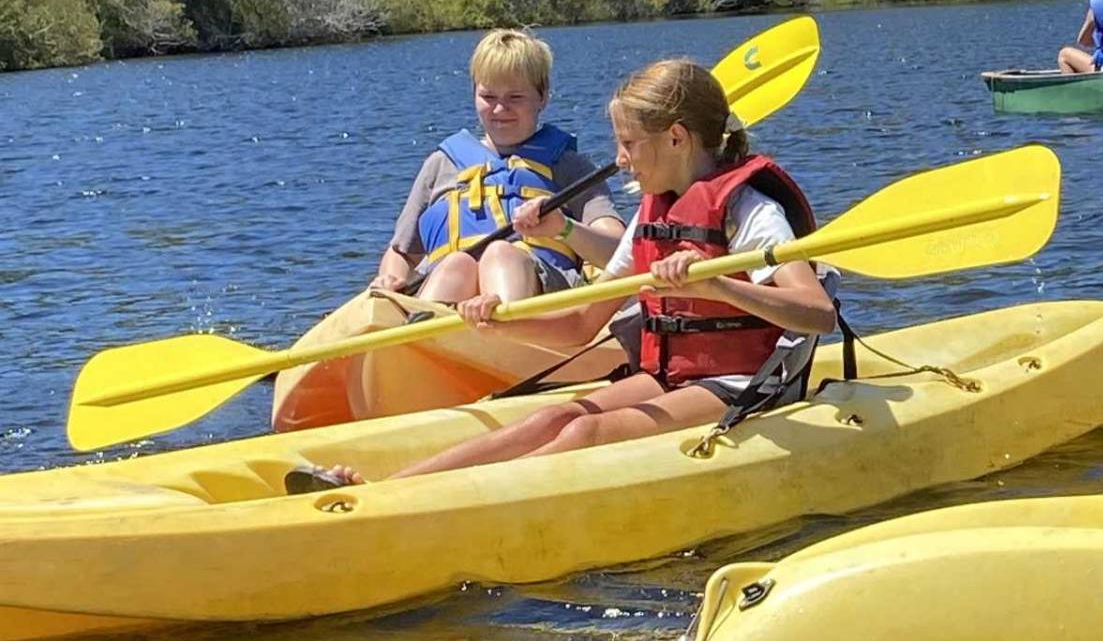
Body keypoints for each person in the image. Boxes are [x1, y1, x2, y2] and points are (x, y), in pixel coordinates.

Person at [295, 59, 837, 489]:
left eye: (629, 144)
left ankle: (435, 503)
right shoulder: (654, 215)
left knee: (586, 430)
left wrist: (715, 283)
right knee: (546, 421)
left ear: (676, 138)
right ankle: (386, 490)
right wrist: (500, 323)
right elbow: (580, 324)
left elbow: (817, 315)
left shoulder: (749, 210)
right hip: (669, 377)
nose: (619, 160)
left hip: (737, 383)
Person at [372, 28, 626, 304]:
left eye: (515, 97)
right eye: (489, 97)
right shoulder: (441, 165)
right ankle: (427, 327)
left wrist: (563, 227)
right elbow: (402, 253)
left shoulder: (569, 167)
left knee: (500, 254)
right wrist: (390, 278)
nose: (500, 109)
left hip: (542, 297)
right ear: (474, 94)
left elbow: (618, 251)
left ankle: (504, 319)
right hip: (451, 287)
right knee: (457, 264)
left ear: (542, 96)